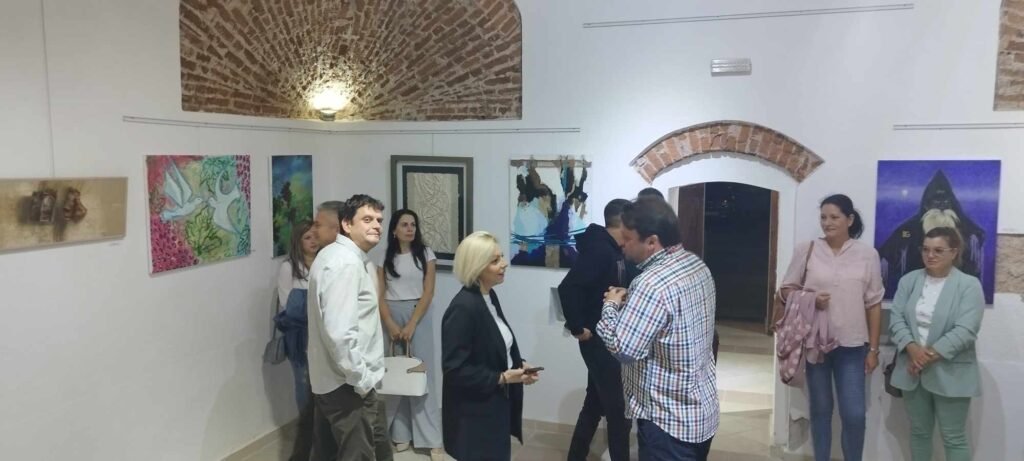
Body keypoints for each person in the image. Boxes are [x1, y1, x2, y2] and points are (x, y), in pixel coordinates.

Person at [596, 198, 718, 461]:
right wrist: (634, 301)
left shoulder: (650, 284)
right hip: (700, 413)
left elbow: (623, 348)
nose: (621, 244)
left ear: (651, 242)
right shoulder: (696, 265)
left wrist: (610, 306)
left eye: (627, 238)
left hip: (667, 422)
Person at [779, 194, 883, 461]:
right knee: (821, 410)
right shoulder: (807, 249)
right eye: (823, 217)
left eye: (835, 217)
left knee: (854, 414)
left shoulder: (867, 255)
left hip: (852, 346)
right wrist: (811, 299)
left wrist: (873, 349)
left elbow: (874, 304)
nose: (828, 222)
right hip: (816, 345)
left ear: (850, 219)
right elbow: (785, 290)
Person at [307, 195, 392, 461]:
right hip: (347, 384)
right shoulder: (344, 263)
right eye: (367, 219)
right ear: (346, 224)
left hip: (341, 379)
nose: (376, 225)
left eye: (379, 220)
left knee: (347, 450)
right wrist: (361, 379)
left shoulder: (339, 256)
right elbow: (340, 333)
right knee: (358, 454)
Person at [441, 231, 541, 461]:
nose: (504, 264)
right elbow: (455, 370)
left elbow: (493, 345)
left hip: (494, 406)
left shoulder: (489, 296)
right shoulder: (463, 308)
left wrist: (519, 366)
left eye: (501, 257)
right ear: (476, 267)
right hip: (473, 416)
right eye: (495, 260)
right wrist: (503, 377)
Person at [888, 227, 984, 461]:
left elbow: (966, 330)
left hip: (951, 372)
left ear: (954, 252)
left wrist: (925, 356)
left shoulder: (968, 285)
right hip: (912, 371)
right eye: (926, 249)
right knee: (919, 433)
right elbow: (896, 319)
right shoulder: (909, 281)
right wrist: (913, 349)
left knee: (954, 437)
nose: (930, 255)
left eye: (938, 250)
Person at [558, 199, 632, 461]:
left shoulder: (611, 250)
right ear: (622, 223)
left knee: (594, 403)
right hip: (598, 342)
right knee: (618, 411)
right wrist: (578, 328)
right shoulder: (600, 250)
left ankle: (575, 456)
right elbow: (568, 287)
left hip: (607, 338)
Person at [376, 209, 445, 461]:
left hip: (419, 313)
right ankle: (400, 433)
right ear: (394, 230)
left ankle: (432, 439)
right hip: (391, 314)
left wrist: (412, 323)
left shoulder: (426, 254)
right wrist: (390, 323)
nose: (409, 229)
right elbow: (379, 293)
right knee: (395, 373)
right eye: (404, 224)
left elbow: (429, 291)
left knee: (422, 373)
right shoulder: (384, 256)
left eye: (413, 224)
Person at [878, 170, 985, 300]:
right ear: (926, 205)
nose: (941, 206)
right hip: (919, 287)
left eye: (945, 201)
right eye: (936, 201)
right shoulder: (909, 229)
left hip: (954, 289)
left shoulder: (969, 231)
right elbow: (888, 251)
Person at [274, 220, 319, 461]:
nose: (313, 241)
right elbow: (286, 304)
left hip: (321, 335)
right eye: (307, 238)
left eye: (315, 236)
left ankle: (320, 432)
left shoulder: (324, 264)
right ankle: (307, 430)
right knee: (303, 382)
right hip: (299, 335)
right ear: (298, 242)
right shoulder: (288, 267)